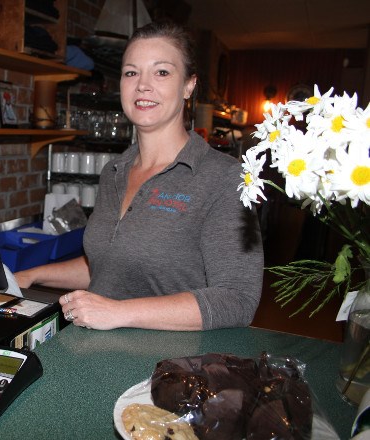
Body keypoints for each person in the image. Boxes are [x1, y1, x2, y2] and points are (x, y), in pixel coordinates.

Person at [15, 21, 264, 331]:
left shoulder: (225, 178)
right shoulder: (114, 172)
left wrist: (119, 312)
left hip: (174, 367)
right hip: (99, 351)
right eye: (131, 72)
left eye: (161, 72)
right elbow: (108, 265)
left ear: (188, 85)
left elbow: (238, 300)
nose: (143, 85)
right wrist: (31, 275)